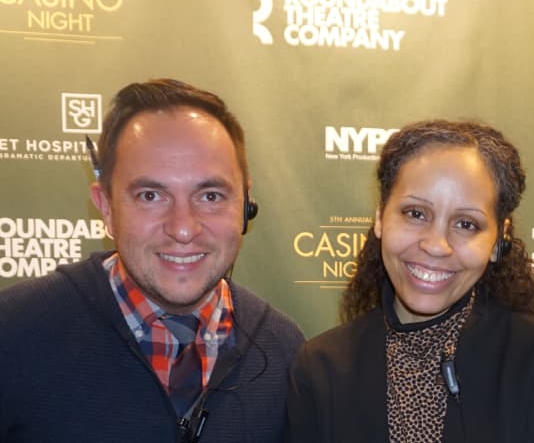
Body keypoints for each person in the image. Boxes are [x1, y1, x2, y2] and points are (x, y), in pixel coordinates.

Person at [0, 79, 305, 442]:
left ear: (245, 206)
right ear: (107, 208)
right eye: (150, 195)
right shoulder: (14, 332)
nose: (183, 228)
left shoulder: (284, 349)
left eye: (210, 195)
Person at [286, 119, 534, 442]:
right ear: (379, 218)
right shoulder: (320, 367)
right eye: (415, 213)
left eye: (466, 224)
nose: (435, 245)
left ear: (500, 238)